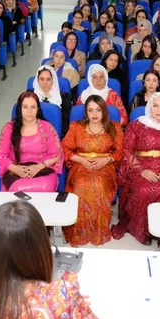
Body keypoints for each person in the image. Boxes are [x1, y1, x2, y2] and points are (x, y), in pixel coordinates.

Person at [112, 93, 160, 245]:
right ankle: (143, 232)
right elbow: (127, 150)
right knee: (143, 191)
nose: (159, 110)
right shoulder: (137, 125)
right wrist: (141, 170)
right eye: (155, 106)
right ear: (149, 107)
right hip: (142, 167)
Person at [62, 96, 124, 246]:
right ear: (86, 112)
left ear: (104, 111)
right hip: (81, 164)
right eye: (90, 110)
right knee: (81, 185)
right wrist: (82, 160)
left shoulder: (114, 127)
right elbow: (65, 148)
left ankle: (98, 229)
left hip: (105, 165)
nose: (94, 114)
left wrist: (106, 160)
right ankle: (80, 230)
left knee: (98, 185)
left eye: (98, 110)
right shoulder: (76, 127)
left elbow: (120, 152)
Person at [0, 91, 63, 192]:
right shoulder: (10, 128)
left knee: (45, 187)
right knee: (18, 189)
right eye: (25, 107)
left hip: (42, 168)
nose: (29, 111)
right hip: (16, 168)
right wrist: (16, 169)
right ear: (20, 109)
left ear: (38, 109)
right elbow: (1, 155)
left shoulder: (46, 127)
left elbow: (56, 154)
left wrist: (39, 167)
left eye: (33, 107)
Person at [33, 65, 72, 135]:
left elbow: (67, 124)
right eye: (42, 79)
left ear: (53, 80)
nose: (45, 83)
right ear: (37, 80)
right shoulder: (30, 97)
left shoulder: (64, 98)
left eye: (48, 79)